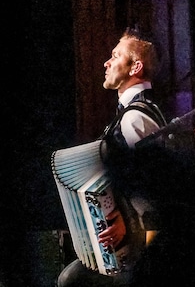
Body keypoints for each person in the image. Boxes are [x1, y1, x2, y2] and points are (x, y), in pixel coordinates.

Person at [57, 27, 167, 287]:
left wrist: (126, 223)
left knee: (70, 280)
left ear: (135, 67)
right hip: (133, 240)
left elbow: (152, 189)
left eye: (116, 56)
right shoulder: (129, 113)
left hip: (138, 248)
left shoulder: (135, 117)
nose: (107, 62)